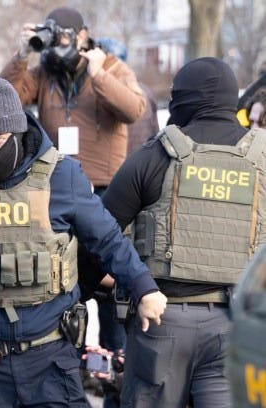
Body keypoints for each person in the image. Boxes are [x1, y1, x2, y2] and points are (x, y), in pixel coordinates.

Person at [0, 76, 167, 407]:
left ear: (19, 132)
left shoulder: (60, 176)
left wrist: (144, 287)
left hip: (51, 356)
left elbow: (107, 240)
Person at [101, 57, 265, 408]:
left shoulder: (154, 156)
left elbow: (100, 234)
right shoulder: (262, 157)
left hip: (161, 322)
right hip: (236, 324)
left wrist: (96, 289)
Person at [0, 6, 145, 191]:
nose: (59, 45)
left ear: (82, 35)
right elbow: (6, 98)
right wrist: (21, 56)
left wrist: (99, 75)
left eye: (63, 36)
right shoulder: (45, 73)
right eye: (53, 37)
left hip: (102, 183)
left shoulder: (111, 67)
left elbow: (134, 110)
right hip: (56, 178)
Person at [97, 37, 160, 154]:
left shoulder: (98, 94)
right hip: (144, 159)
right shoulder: (145, 90)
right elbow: (155, 131)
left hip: (117, 162)